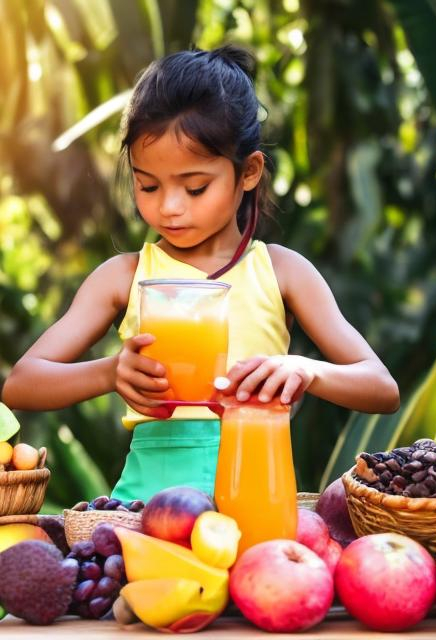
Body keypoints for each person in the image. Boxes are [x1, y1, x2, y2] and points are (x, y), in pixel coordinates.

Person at [2, 44, 400, 502]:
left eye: (195, 187)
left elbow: (381, 387)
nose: (169, 207)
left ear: (248, 172)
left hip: (255, 500)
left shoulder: (282, 271)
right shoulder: (125, 277)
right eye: (147, 185)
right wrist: (110, 373)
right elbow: (22, 383)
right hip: (146, 509)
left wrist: (304, 369)